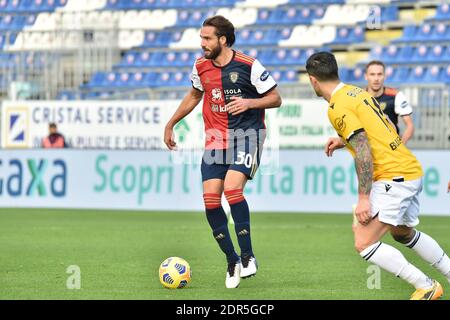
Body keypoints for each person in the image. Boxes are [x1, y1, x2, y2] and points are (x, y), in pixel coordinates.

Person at [306, 51, 450, 300]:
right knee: (401, 232)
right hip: (409, 169)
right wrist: (343, 140)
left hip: (393, 176)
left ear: (313, 80)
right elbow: (382, 127)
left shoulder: (337, 106)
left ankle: (426, 286)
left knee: (364, 242)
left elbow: (363, 149)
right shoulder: (355, 92)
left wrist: (364, 198)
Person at [163, 15, 282, 289]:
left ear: (223, 40)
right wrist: (171, 123)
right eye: (201, 38)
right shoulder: (200, 66)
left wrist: (249, 103)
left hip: (247, 137)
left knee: (233, 190)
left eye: (207, 38)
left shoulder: (248, 65)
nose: (202, 43)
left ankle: (249, 255)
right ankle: (232, 260)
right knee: (210, 202)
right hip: (215, 141)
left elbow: (276, 98)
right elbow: (194, 95)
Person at [365, 60, 414, 144]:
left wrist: (399, 147)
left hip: (390, 149)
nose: (376, 78)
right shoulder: (358, 97)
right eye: (372, 74)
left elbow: (410, 126)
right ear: (366, 76)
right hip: (367, 149)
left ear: (385, 76)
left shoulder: (396, 95)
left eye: (379, 74)